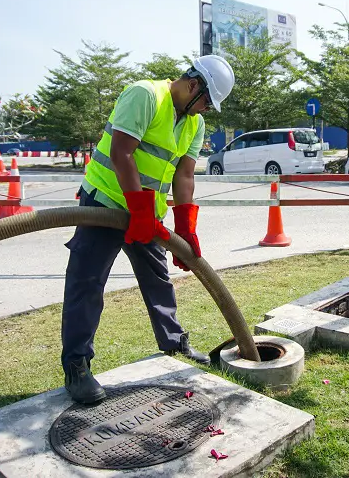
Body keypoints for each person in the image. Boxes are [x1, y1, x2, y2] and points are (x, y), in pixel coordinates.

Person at [61, 55, 235, 404]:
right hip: (104, 204)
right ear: (193, 84)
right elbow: (121, 153)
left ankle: (173, 342)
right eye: (204, 101)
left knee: (159, 279)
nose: (204, 110)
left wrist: (186, 228)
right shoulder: (145, 95)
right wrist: (137, 210)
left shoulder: (192, 124)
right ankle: (77, 366)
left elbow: (184, 175)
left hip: (147, 215)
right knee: (87, 282)